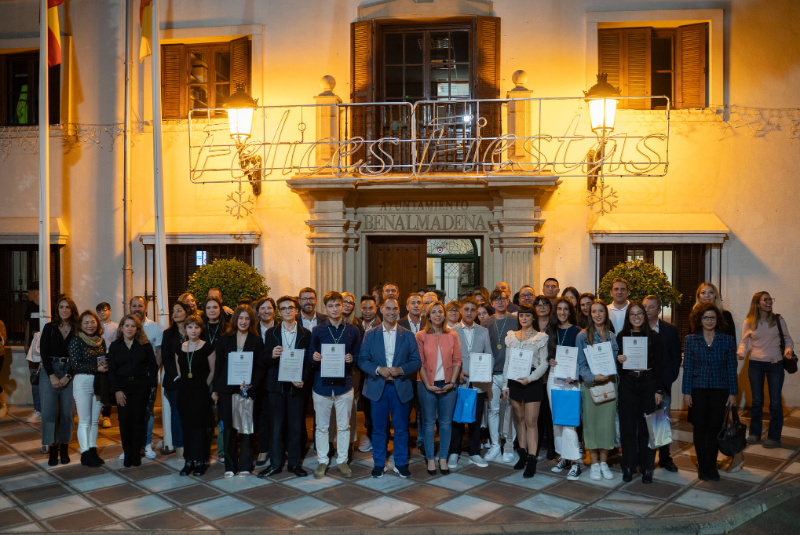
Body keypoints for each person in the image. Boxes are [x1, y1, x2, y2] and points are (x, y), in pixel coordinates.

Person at [358, 298, 421, 479]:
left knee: (401, 428)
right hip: (378, 388)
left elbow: (416, 361)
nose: (392, 312)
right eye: (388, 308)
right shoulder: (370, 334)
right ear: (381, 310)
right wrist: (378, 370)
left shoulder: (408, 335)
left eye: (395, 309)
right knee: (378, 429)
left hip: (400, 387)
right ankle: (379, 463)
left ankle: (400, 464)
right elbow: (362, 360)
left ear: (398, 312)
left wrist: (402, 370)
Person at [255, 296, 311, 478]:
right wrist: (271, 355)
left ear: (296, 310)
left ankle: (294, 464)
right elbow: (263, 359)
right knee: (276, 427)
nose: (288, 311)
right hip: (276, 387)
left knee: (295, 427)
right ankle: (275, 464)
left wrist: (303, 378)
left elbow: (308, 362)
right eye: (284, 308)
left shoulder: (305, 333)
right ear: (279, 312)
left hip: (296, 386)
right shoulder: (271, 333)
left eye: (291, 308)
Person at [308, 291, 362, 479]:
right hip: (321, 386)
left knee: (344, 426)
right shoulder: (318, 330)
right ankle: (323, 460)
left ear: (343, 307)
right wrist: (314, 357)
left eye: (337, 305)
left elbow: (359, 356)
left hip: (344, 386)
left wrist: (351, 358)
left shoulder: (353, 330)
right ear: (325, 308)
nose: (334, 309)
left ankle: (342, 461)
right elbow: (310, 354)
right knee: (322, 427)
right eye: (330, 306)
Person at [683, 303, 738, 481]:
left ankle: (711, 465)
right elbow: (688, 367)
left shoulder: (727, 339)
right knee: (699, 428)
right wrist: (686, 391)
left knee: (715, 428)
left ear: (718, 320)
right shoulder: (691, 339)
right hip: (697, 388)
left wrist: (733, 392)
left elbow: (731, 367)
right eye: (706, 317)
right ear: (699, 319)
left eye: (712, 317)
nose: (709, 321)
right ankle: (702, 465)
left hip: (720, 389)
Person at [615, 301, 663, 484]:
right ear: (628, 317)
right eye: (632, 314)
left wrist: (659, 389)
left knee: (648, 428)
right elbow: (617, 365)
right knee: (627, 427)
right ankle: (628, 465)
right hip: (628, 383)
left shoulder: (654, 337)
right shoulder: (621, 337)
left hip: (648, 383)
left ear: (645, 315)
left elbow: (659, 365)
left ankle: (648, 467)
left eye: (639, 313)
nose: (636, 317)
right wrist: (619, 360)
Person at [738, 291, 794, 448]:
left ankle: (774, 437)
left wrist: (788, 350)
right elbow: (744, 342)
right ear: (757, 303)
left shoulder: (778, 319)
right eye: (765, 300)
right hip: (755, 364)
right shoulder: (749, 321)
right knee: (757, 401)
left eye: (771, 299)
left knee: (775, 402)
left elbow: (788, 339)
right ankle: (755, 433)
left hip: (775, 363)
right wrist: (741, 353)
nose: (769, 302)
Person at [213, 305, 263, 477]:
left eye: (247, 318)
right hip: (227, 390)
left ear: (252, 321)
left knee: (246, 429)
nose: (243, 321)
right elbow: (218, 366)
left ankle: (245, 465)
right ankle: (230, 466)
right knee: (229, 429)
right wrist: (216, 390)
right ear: (235, 320)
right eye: (240, 318)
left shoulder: (256, 341)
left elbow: (259, 368)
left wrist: (250, 384)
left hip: (246, 390)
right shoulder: (224, 339)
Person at [502, 304, 549, 478]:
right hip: (514, 379)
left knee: (531, 420)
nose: (524, 318)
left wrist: (531, 378)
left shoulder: (541, 337)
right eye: (521, 315)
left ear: (533, 317)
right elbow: (507, 362)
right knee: (519, 419)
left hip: (532, 380)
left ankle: (532, 458)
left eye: (527, 316)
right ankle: (522, 453)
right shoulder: (511, 337)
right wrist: (506, 385)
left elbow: (544, 363)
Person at [416, 301, 461, 475]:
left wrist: (452, 382)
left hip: (449, 385)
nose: (437, 315)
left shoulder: (452, 335)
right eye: (433, 312)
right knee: (428, 424)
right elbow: (419, 362)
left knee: (445, 423)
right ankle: (430, 459)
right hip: (427, 384)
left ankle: (443, 458)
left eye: (440, 312)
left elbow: (457, 360)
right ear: (428, 316)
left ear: (444, 314)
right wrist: (428, 384)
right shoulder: (420, 336)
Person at [107, 314, 158, 468]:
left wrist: (148, 384)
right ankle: (127, 451)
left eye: (133, 326)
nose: (130, 328)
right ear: (121, 328)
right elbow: (111, 370)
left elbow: (153, 366)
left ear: (137, 329)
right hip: (122, 388)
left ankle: (136, 453)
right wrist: (116, 390)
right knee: (124, 421)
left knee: (138, 420)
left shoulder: (145, 345)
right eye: (127, 325)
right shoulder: (115, 346)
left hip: (140, 387)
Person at [576, 299, 619, 481]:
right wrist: (593, 377)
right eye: (594, 311)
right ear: (589, 314)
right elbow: (580, 364)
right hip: (591, 385)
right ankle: (593, 463)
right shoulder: (582, 336)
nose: (598, 314)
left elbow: (615, 361)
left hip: (609, 384)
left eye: (601, 311)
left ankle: (603, 462)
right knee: (591, 424)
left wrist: (621, 359)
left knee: (606, 425)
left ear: (605, 314)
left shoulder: (612, 336)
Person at [449, 296, 493, 468]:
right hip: (458, 381)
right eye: (466, 309)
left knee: (475, 419)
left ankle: (474, 452)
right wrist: (457, 372)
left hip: (478, 383)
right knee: (457, 418)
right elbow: (449, 357)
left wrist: (486, 373)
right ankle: (454, 451)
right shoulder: (452, 331)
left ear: (476, 312)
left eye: (472, 310)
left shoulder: (483, 331)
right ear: (460, 311)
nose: (469, 313)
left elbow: (488, 354)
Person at [643, 295, 681, 472]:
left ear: (659, 310)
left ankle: (665, 458)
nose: (646, 310)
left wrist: (668, 379)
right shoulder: (636, 328)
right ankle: (643, 458)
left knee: (661, 422)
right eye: (644, 306)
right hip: (641, 384)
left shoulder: (669, 329)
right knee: (642, 422)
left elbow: (675, 357)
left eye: (651, 307)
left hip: (662, 385)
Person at [40, 296, 79, 466]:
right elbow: (43, 353)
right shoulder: (49, 327)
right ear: (57, 310)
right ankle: (52, 448)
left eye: (68, 307)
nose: (64, 310)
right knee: (49, 413)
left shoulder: (78, 330)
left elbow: (78, 355)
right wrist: (52, 376)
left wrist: (68, 376)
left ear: (72, 310)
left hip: (70, 371)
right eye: (61, 307)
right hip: (50, 371)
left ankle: (64, 447)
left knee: (67, 412)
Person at [175, 314, 215, 476]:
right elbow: (180, 371)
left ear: (200, 329)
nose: (193, 330)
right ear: (185, 329)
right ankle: (188, 460)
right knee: (187, 428)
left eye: (196, 327)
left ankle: (200, 461)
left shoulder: (207, 347)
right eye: (190, 327)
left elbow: (213, 370)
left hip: (201, 394)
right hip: (184, 394)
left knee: (199, 428)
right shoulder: (179, 348)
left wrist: (204, 386)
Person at [547, 297, 583, 481]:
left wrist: (575, 375)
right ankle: (563, 457)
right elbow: (546, 355)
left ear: (570, 312)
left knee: (569, 422)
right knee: (557, 421)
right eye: (559, 309)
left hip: (571, 380)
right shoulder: (550, 330)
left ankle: (575, 461)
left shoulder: (578, 332)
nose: (562, 312)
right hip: (554, 377)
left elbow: (582, 358)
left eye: (565, 309)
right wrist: (550, 361)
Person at [482, 289, 519, 463]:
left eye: (502, 299)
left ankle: (509, 445)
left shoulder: (515, 320)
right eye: (496, 300)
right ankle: (495, 445)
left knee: (510, 411)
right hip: (491, 373)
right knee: (493, 410)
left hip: (510, 373)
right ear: (491, 303)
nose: (500, 302)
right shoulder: (485, 322)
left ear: (507, 300)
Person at [68, 310, 108, 467]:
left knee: (94, 421)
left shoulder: (101, 341)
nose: (90, 325)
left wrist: (105, 366)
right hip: (82, 381)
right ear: (80, 325)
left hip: (99, 382)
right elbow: (75, 364)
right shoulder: (76, 341)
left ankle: (93, 451)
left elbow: (103, 360)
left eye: (92, 322)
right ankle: (85, 454)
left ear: (97, 324)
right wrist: (96, 368)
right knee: (84, 421)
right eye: (86, 322)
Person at [130, 296, 164, 460]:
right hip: (130, 378)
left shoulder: (155, 327)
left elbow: (159, 352)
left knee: (148, 412)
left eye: (140, 306)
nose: (137, 309)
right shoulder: (126, 326)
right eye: (134, 306)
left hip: (148, 377)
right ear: (130, 308)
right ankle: (131, 446)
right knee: (130, 413)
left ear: (146, 308)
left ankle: (147, 444)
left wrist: (153, 372)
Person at [162, 301, 191, 460]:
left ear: (186, 312)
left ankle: (191, 444)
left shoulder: (192, 330)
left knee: (191, 413)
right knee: (177, 414)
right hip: (174, 381)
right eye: (173, 311)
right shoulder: (168, 333)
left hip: (192, 380)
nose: (175, 313)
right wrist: (176, 375)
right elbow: (166, 358)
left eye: (179, 310)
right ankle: (179, 447)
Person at [532, 295, 557, 461]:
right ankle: (537, 442)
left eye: (545, 304)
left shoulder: (554, 327)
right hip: (533, 376)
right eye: (538, 305)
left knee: (549, 412)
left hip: (551, 374)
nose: (542, 307)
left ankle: (552, 446)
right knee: (537, 413)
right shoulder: (530, 327)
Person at [252, 296, 276, 467]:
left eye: (269, 308)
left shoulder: (282, 329)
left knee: (279, 416)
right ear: (257, 312)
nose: (266, 311)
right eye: (262, 308)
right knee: (262, 416)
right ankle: (263, 449)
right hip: (259, 380)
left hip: (279, 378)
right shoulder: (253, 331)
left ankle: (279, 448)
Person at [357, 294, 380, 454]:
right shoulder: (354, 324)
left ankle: (378, 436)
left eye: (370, 308)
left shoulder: (382, 325)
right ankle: (368, 435)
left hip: (377, 373)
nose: (367, 311)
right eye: (364, 308)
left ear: (376, 309)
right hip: (358, 373)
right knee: (365, 407)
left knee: (378, 407)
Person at [96, 302, 118, 429]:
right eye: (99, 311)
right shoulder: (94, 325)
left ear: (110, 311)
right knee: (97, 385)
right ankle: (97, 412)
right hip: (96, 357)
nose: (102, 312)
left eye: (104, 310)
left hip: (110, 356)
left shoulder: (115, 326)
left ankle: (107, 415)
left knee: (108, 386)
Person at [24, 282, 42, 425]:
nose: (27, 295)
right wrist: (26, 343)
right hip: (33, 348)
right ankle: (37, 409)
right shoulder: (30, 306)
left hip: (45, 348)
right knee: (34, 377)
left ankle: (45, 409)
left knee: (46, 378)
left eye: (29, 292)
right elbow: (28, 325)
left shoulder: (50, 306)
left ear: (35, 293)